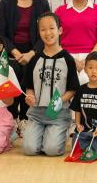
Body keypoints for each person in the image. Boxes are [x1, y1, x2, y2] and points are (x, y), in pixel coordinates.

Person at [0, 0, 51, 124]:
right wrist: (15, 52)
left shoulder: (42, 3)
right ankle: (12, 117)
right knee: (13, 69)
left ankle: (26, 117)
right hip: (11, 52)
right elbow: (1, 34)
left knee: (30, 69)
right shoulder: (5, 3)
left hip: (35, 52)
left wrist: (31, 53)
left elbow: (46, 34)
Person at [21, 13, 79, 157]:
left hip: (58, 113)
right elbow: (29, 86)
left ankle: (60, 132)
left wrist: (60, 101)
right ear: (39, 33)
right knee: (29, 149)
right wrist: (30, 96)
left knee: (52, 150)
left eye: (51, 28)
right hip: (36, 113)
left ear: (60, 30)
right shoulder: (35, 59)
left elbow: (72, 89)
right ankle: (41, 135)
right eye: (43, 29)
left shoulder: (68, 60)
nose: (47, 33)